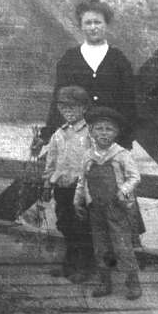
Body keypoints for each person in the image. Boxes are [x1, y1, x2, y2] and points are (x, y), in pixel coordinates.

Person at [31, 0, 145, 241]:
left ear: (106, 25)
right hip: (75, 141)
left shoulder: (118, 60)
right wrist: (46, 134)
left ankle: (106, 258)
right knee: (75, 198)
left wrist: (123, 141)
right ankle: (79, 256)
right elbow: (57, 101)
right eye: (88, 22)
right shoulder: (69, 59)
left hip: (107, 142)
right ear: (80, 26)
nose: (93, 27)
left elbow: (129, 104)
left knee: (107, 200)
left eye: (98, 22)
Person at [74, 106, 143, 300]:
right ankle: (105, 282)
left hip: (117, 208)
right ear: (91, 131)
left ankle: (132, 281)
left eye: (109, 129)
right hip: (96, 208)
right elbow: (82, 180)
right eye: (99, 129)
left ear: (116, 133)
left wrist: (123, 191)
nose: (104, 133)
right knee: (101, 245)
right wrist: (78, 200)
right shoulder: (88, 156)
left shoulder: (121, 154)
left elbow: (134, 177)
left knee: (122, 245)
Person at [42, 85, 95, 283]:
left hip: (81, 189)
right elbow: (51, 162)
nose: (68, 111)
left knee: (82, 226)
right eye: (63, 107)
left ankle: (85, 266)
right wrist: (48, 184)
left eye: (73, 107)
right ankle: (70, 263)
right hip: (61, 188)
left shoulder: (90, 134)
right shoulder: (58, 134)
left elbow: (95, 161)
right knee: (64, 224)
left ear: (84, 108)